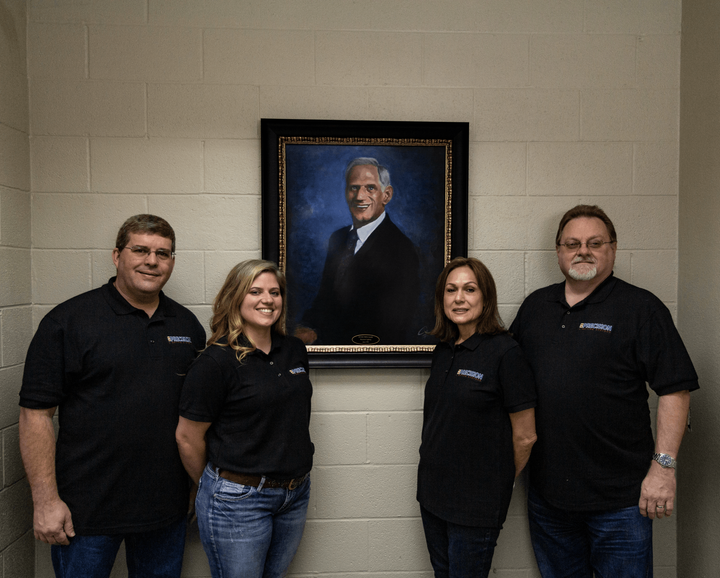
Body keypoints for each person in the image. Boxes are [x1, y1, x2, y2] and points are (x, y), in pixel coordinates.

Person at [509, 205, 699, 577]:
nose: (583, 251)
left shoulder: (641, 308)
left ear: (613, 249)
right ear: (559, 252)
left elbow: (675, 390)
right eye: (572, 243)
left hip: (621, 501)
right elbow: (508, 381)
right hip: (549, 500)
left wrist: (664, 469)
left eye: (595, 243)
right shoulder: (535, 308)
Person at [18, 214, 206, 578]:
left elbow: (198, 417)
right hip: (85, 511)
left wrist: (199, 486)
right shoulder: (68, 321)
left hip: (165, 510)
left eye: (163, 253)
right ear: (116, 255)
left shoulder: (187, 326)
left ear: (171, 262)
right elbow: (35, 415)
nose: (152, 261)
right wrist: (45, 501)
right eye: (140, 250)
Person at [176, 259, 313, 578]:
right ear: (235, 297)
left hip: (294, 494)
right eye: (255, 291)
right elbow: (187, 437)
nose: (268, 299)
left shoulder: (294, 349)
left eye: (275, 292)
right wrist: (216, 487)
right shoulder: (216, 361)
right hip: (238, 500)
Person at [417, 257, 537, 578]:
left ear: (485, 298)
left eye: (469, 290)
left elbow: (526, 435)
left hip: (475, 504)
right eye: (451, 290)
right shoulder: (444, 350)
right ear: (441, 299)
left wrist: (496, 481)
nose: (459, 298)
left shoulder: (505, 353)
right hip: (432, 496)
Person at [295, 157, 420, 345]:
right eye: (353, 188)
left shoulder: (402, 250)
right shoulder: (338, 238)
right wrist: (307, 326)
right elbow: (325, 299)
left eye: (370, 188)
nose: (360, 196)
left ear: (386, 195)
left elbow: (394, 325)